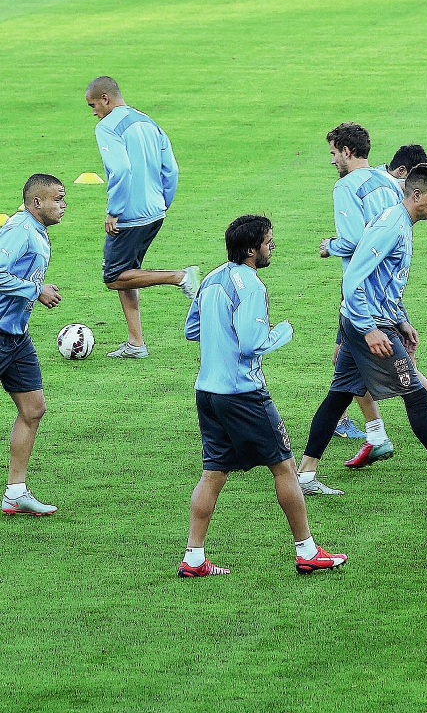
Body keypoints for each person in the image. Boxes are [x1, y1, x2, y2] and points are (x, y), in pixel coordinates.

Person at [304, 164, 427, 497]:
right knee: (416, 396)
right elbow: (353, 279)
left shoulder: (401, 222)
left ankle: (304, 475)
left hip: (375, 320)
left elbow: (385, 282)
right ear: (416, 194)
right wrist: (368, 330)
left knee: (338, 397)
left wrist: (401, 319)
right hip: (371, 326)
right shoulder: (391, 227)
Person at [180, 215, 347, 577]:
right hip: (243, 393)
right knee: (284, 467)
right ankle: (307, 551)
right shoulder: (251, 286)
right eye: (269, 241)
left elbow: (192, 330)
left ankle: (193, 557)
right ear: (252, 248)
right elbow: (253, 343)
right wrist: (282, 332)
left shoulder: (212, 278)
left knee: (213, 474)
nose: (273, 246)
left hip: (207, 392)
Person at [85, 76, 199, 357]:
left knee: (114, 277)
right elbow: (171, 169)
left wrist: (114, 211)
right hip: (155, 211)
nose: (93, 112)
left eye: (93, 105)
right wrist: (163, 203)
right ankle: (136, 343)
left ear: (105, 99)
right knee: (128, 274)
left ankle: (180, 276)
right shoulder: (148, 122)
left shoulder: (107, 127)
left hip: (130, 215)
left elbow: (121, 170)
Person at [0, 175, 65, 517]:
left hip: (16, 336)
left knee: (33, 408)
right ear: (37, 202)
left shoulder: (35, 229)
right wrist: (34, 290)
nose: (64, 205)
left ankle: (15, 493)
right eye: (59, 198)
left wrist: (36, 285)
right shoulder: (19, 231)